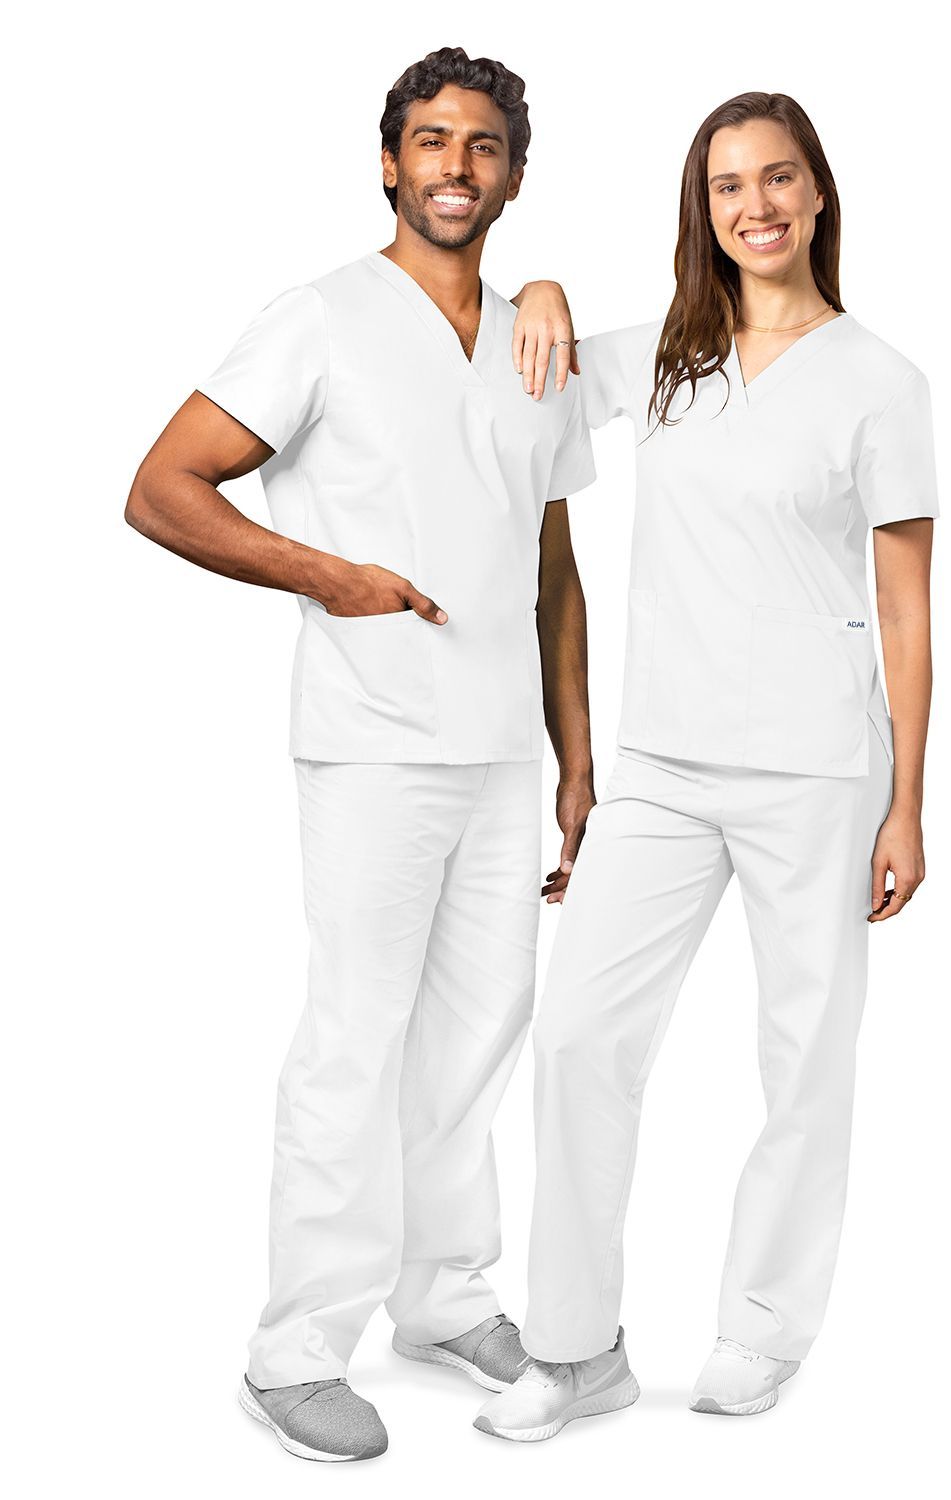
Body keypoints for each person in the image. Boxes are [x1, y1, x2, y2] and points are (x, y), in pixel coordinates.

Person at [124, 46, 596, 1463]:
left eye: (484, 145)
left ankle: (443, 1297)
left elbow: (554, 568)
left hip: (502, 753)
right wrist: (329, 576)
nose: (457, 165)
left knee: (477, 1035)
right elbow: (161, 488)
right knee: (356, 1037)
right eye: (431, 140)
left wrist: (577, 755)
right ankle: (295, 1351)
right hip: (374, 741)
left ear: (515, 175)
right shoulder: (319, 317)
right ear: (389, 162)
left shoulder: (535, 343)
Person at [474, 90, 940, 1442]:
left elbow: (906, 606)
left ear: (817, 192)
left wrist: (909, 800)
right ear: (705, 209)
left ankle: (762, 1329)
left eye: (778, 177)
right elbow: (530, 360)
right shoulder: (671, 357)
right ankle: (575, 1350)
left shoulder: (882, 382)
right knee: (579, 1037)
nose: (756, 205)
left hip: (817, 770)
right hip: (664, 769)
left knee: (805, 1057)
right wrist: (546, 282)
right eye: (728, 185)